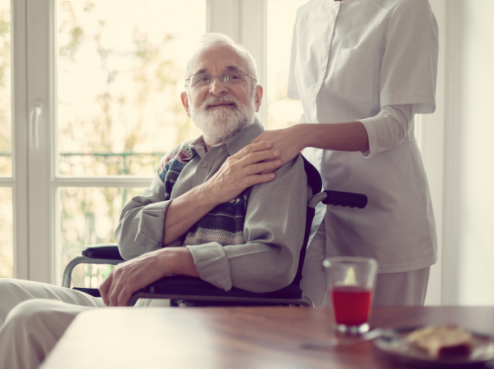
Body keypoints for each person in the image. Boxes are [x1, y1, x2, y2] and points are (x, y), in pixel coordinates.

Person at [0, 33, 309, 369]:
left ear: (257, 95)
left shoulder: (273, 157)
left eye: (232, 76)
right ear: (186, 101)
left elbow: (274, 263)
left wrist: (169, 260)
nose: (217, 87)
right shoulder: (179, 159)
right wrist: (213, 191)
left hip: (193, 320)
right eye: (202, 79)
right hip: (137, 306)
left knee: (29, 319)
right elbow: (130, 239)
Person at [252, 0, 438, 306]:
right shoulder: (307, 13)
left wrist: (301, 135)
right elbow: (310, 115)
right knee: (314, 343)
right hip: (318, 212)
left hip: (385, 218)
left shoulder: (407, 5)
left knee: (381, 348)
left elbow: (394, 124)